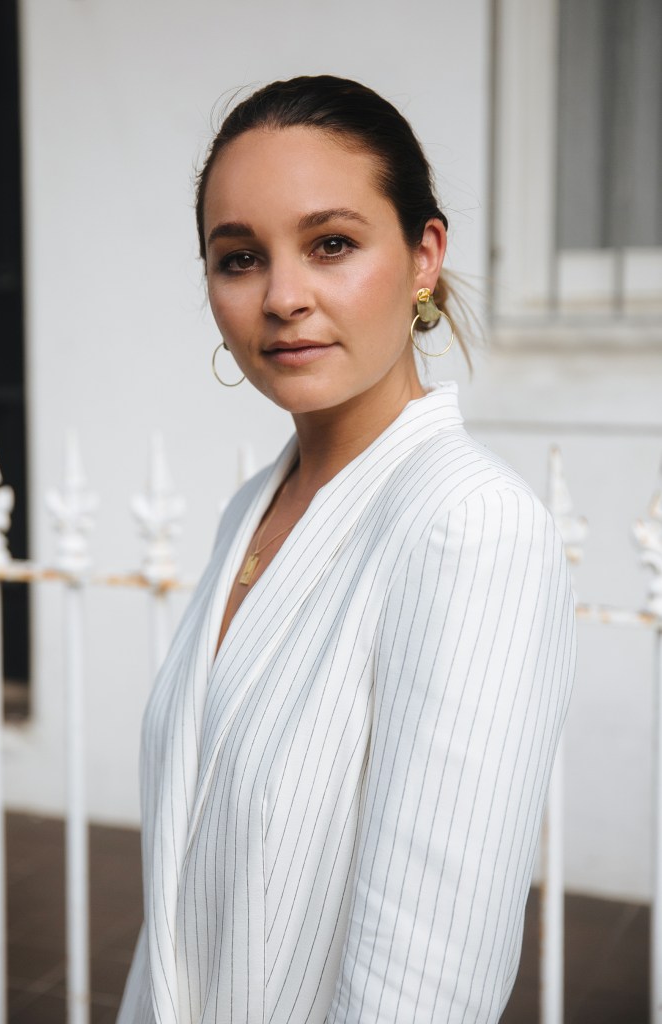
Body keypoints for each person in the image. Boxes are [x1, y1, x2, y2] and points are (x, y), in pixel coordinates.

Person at [117, 75, 576, 1024]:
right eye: (239, 257)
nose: (283, 296)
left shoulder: (469, 524)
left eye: (330, 244)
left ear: (422, 255)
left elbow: (427, 977)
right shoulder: (254, 506)